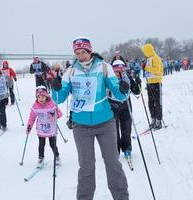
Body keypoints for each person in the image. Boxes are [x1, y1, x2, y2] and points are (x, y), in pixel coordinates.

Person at [51, 36, 129, 200]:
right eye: (77, 53)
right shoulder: (71, 71)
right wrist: (56, 89)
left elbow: (119, 94)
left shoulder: (104, 67)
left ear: (90, 51)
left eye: (83, 52)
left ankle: (122, 197)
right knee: (86, 167)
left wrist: (123, 88)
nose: (80, 56)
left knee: (113, 163)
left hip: (105, 123)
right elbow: (60, 98)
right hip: (81, 125)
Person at [108, 60, 141, 158]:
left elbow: (137, 91)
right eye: (116, 69)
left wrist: (138, 83)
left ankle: (127, 147)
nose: (119, 72)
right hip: (112, 105)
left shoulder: (128, 77)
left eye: (121, 69)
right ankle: (115, 150)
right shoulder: (109, 79)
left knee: (126, 127)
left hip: (126, 106)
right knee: (114, 129)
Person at [26, 86, 62, 168]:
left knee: (52, 144)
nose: (41, 99)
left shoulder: (52, 104)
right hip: (41, 129)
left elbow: (60, 113)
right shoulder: (35, 106)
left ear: (46, 96)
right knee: (41, 145)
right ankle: (41, 158)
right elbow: (32, 118)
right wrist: (29, 127)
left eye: (42, 96)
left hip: (51, 129)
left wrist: (55, 115)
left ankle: (57, 157)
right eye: (38, 97)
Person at [141, 43, 163, 130]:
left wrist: (146, 67)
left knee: (157, 103)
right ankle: (153, 119)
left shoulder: (156, 58)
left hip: (157, 82)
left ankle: (158, 121)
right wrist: (144, 67)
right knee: (150, 103)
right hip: (149, 83)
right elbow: (147, 71)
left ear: (148, 50)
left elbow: (157, 70)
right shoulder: (148, 59)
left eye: (145, 51)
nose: (144, 53)